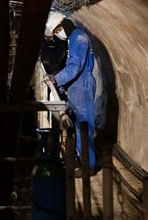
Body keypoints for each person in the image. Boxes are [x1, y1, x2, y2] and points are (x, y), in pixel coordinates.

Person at [46, 13, 97, 174]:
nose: (56, 35)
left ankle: (89, 166)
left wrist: (55, 80)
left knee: (84, 127)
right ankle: (82, 159)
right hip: (77, 87)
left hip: (82, 86)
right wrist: (57, 77)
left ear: (61, 26)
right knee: (77, 126)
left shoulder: (79, 38)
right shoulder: (73, 38)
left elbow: (75, 67)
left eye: (56, 31)